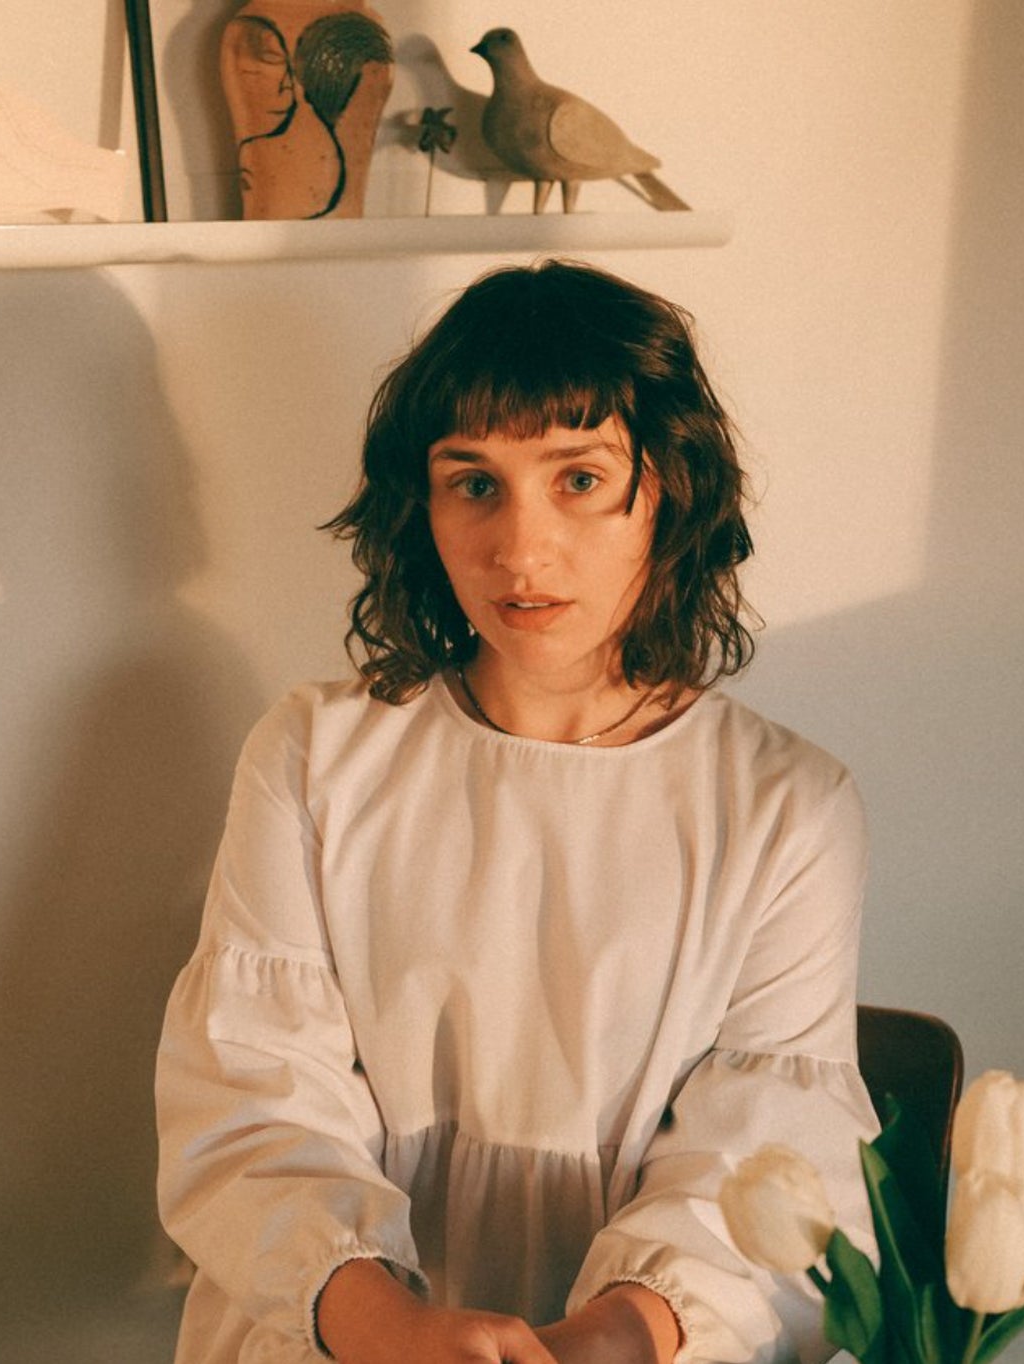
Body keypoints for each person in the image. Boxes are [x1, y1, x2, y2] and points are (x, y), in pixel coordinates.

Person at [155, 259, 878, 1364]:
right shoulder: (313, 755)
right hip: (338, 1336)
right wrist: (390, 1328)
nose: (518, 550)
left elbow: (767, 1159)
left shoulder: (786, 807)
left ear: (670, 489)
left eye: (578, 478)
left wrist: (612, 1336)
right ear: (423, 503)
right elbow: (251, 1100)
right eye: (474, 483)